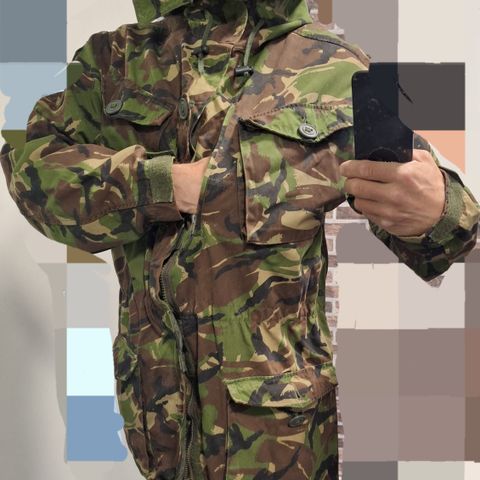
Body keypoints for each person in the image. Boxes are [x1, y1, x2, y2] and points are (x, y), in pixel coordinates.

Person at [1, 0, 479, 478]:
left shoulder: (330, 66)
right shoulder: (116, 63)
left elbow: (448, 224)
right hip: (159, 427)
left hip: (283, 440)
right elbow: (30, 165)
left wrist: (437, 209)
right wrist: (161, 185)